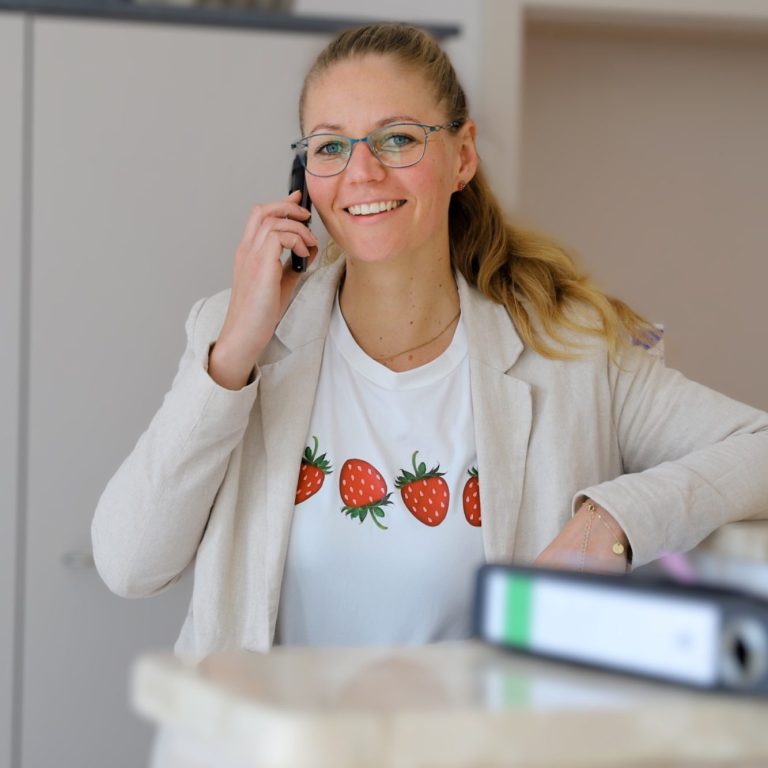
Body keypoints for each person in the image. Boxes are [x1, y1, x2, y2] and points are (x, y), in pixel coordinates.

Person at [92, 22, 768, 661]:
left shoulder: (573, 350)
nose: (361, 172)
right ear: (304, 180)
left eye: (397, 139)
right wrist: (234, 351)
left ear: (462, 156)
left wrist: (611, 523)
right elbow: (128, 565)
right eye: (330, 146)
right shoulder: (236, 339)